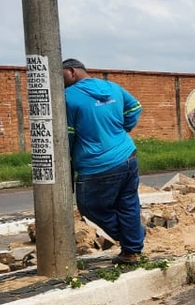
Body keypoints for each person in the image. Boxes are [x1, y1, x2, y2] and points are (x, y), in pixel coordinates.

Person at [61, 58, 146, 265]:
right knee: (128, 204)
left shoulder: (68, 97)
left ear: (72, 71)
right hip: (128, 155)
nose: (58, 81)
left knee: (89, 207)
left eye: (59, 75)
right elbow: (135, 108)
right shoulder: (112, 87)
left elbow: (68, 135)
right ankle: (131, 250)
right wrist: (120, 131)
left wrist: (68, 159)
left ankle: (132, 238)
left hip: (97, 165)